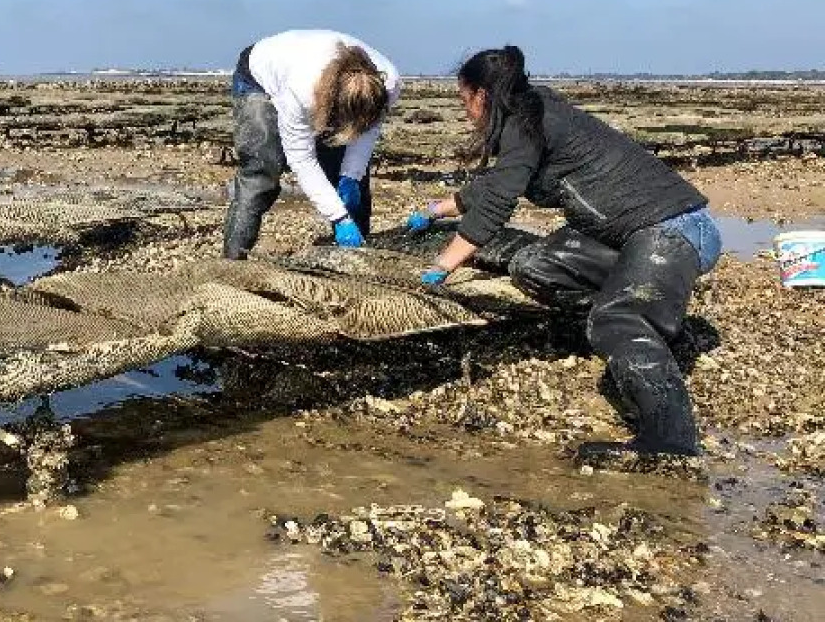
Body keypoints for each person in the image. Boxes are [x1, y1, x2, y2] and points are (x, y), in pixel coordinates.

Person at [405, 45, 722, 465]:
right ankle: (646, 319)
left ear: (482, 95)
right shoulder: (531, 115)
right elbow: (497, 183)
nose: (466, 112)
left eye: (464, 101)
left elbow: (498, 203)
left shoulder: (527, 122)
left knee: (617, 320)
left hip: (673, 230)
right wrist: (436, 211)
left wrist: (441, 266)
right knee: (533, 264)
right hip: (629, 237)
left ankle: (672, 442)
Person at [223, 29, 402, 261]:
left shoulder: (388, 84)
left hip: (325, 86)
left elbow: (367, 132)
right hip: (258, 79)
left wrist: (351, 175)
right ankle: (233, 260)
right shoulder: (302, 91)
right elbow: (301, 158)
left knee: (349, 179)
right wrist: (339, 217)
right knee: (261, 172)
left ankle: (355, 258)